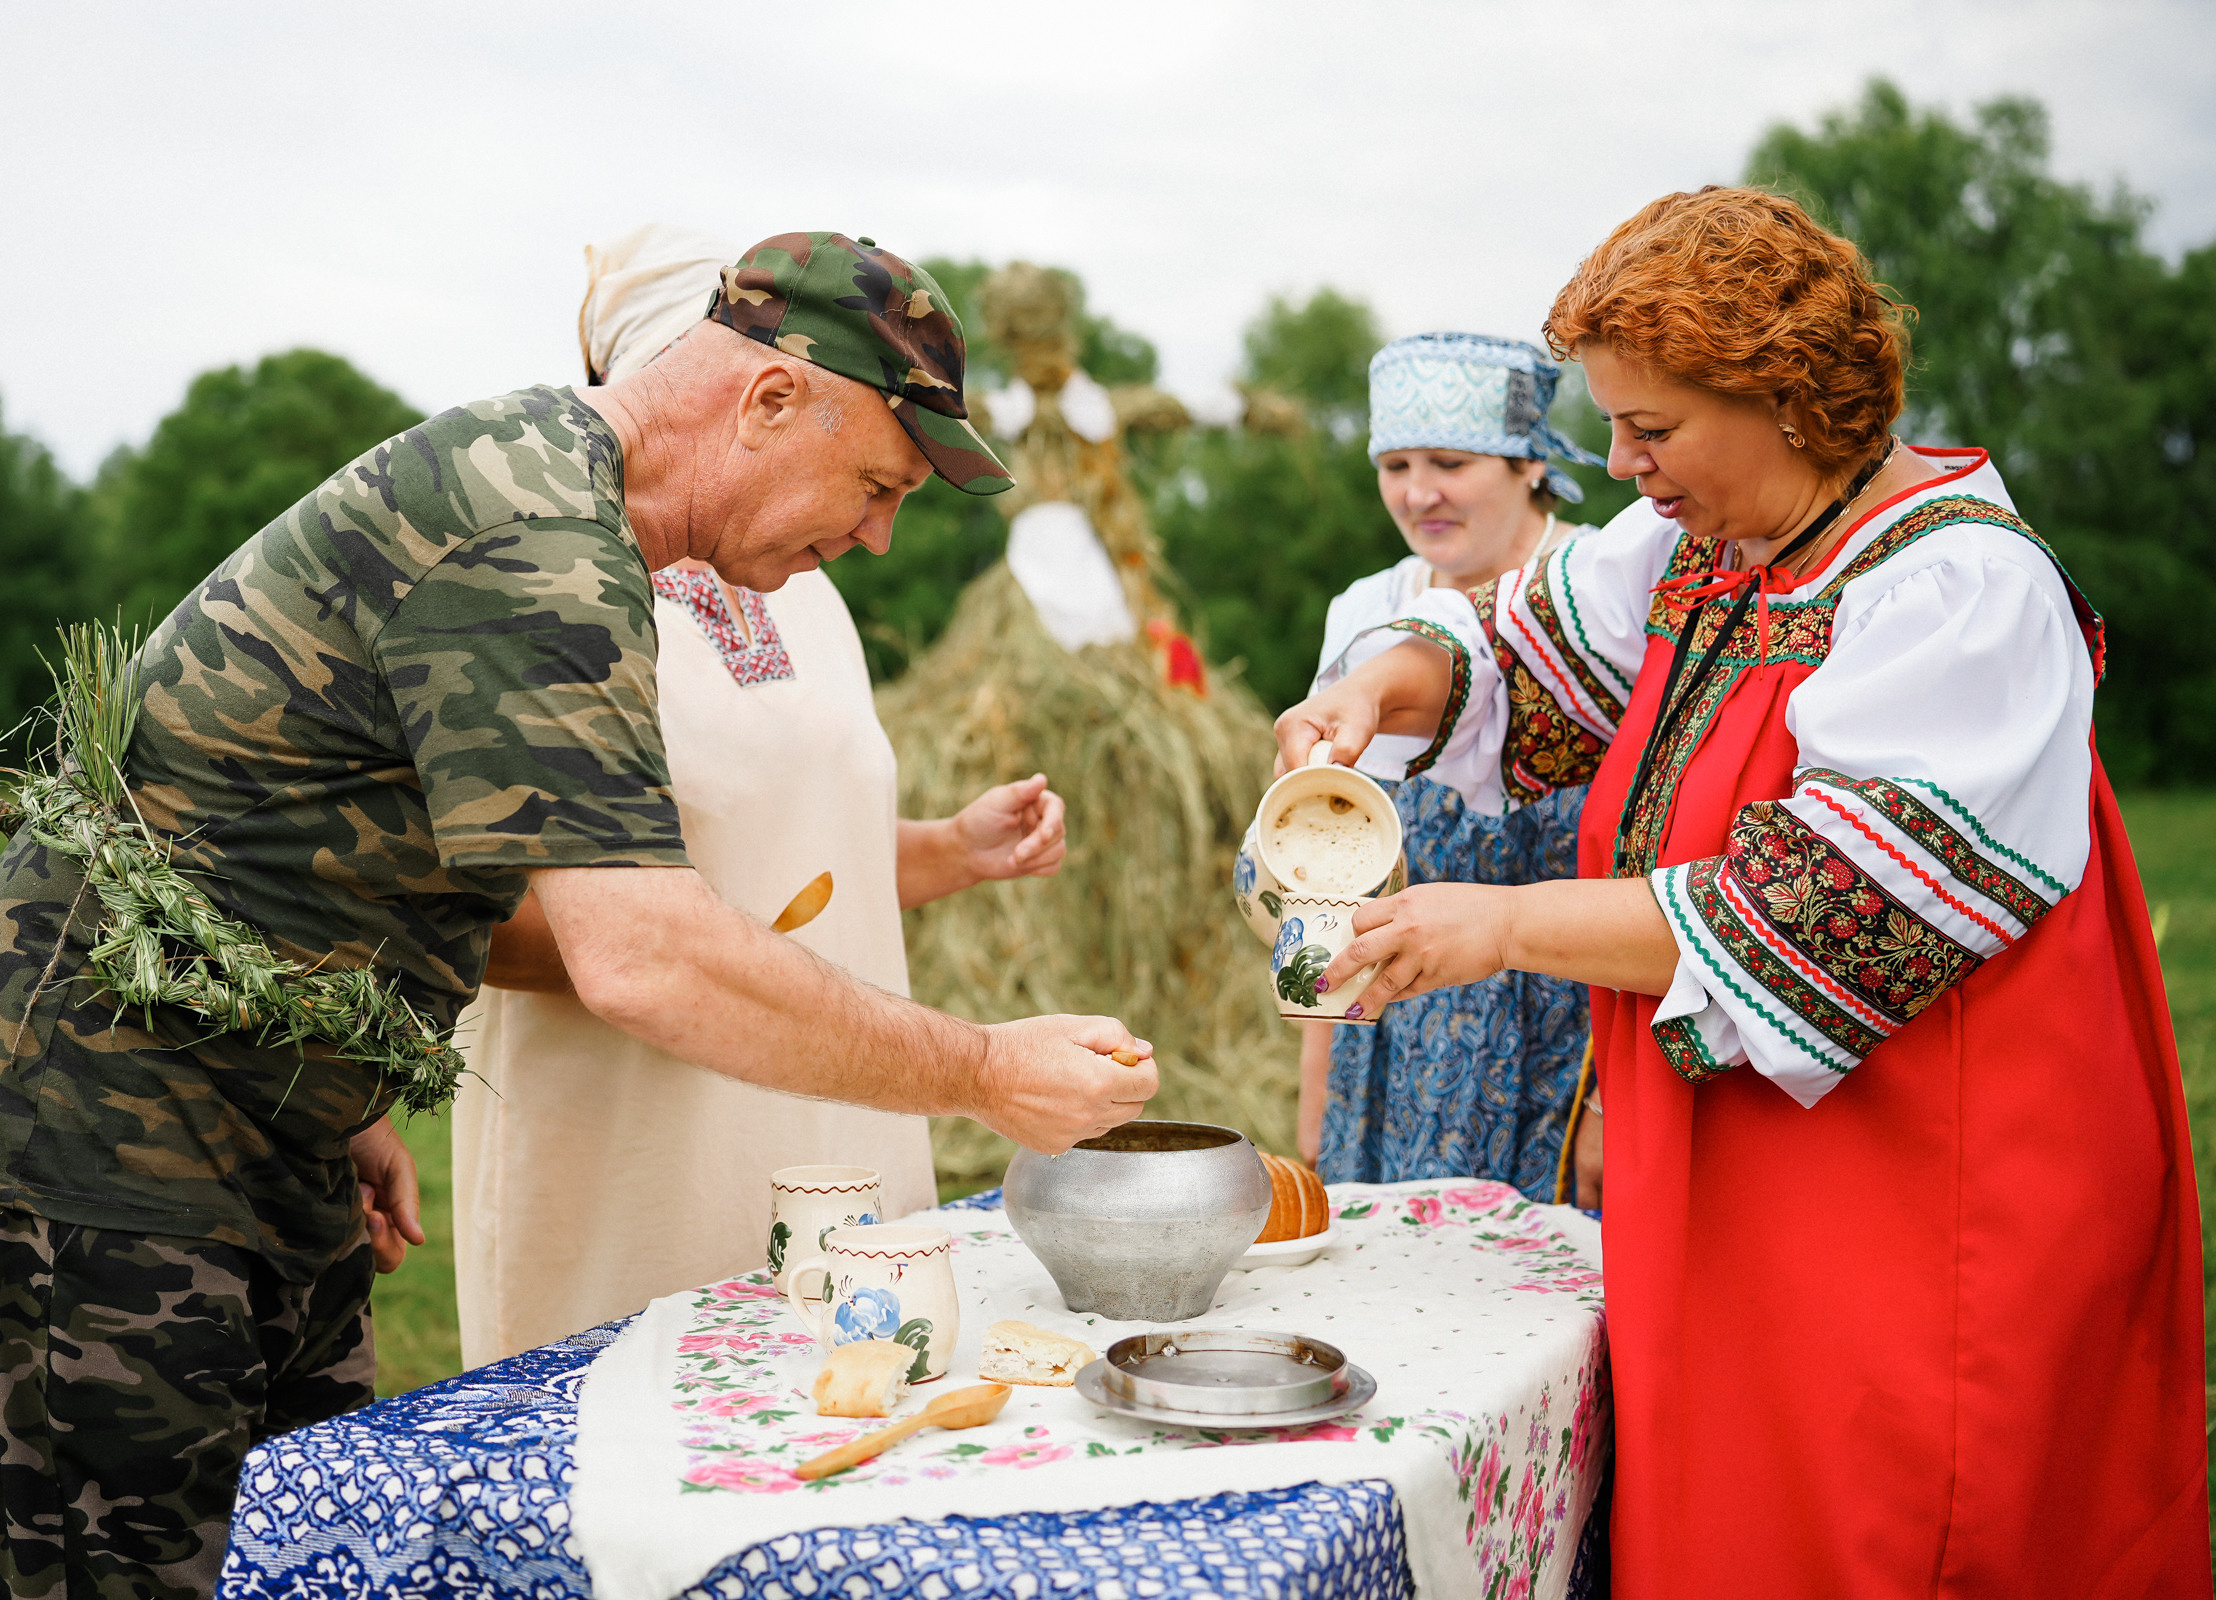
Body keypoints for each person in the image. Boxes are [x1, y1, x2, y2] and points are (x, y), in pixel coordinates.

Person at [0, 231, 1157, 1600]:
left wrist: (349, 1092)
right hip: (95, 1132)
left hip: (263, 1119)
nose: (875, 533)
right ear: (771, 399)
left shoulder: (581, 524)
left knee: (302, 1561)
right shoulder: (531, 528)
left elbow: (299, 829)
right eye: (876, 484)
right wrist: (983, 1072)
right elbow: (641, 951)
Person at [1275, 188, 2206, 1593]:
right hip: (1756, 1187)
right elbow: (1514, 655)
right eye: (1611, 424)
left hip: (1923, 1206)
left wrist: (1507, 926)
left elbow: (1817, 910)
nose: (1621, 462)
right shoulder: (1704, 553)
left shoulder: (1957, 593)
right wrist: (1368, 690)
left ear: (1791, 400)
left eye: (1653, 428)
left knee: (1896, 1532)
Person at [452, 228, 1068, 1364]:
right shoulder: (560, 583)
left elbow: (799, 851)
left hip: (837, 1103)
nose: (880, 532)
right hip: (642, 1135)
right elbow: (483, 915)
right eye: (875, 482)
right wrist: (681, 941)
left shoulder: (803, 576)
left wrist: (951, 846)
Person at [1298, 333, 1598, 1203]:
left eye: (1450, 461)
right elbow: (1318, 868)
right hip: (1387, 1037)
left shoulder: (1601, 597)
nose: (1417, 492)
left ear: (1531, 465)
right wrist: (1316, 1086)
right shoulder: (1366, 613)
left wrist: (1617, 1102)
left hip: (1561, 1043)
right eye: (1394, 463)